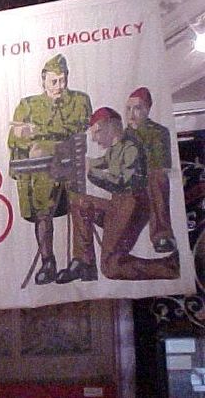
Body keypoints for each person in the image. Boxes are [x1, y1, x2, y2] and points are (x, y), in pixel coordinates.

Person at [56, 107, 180, 283]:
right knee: (80, 202)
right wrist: (80, 164)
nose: (94, 138)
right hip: (119, 206)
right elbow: (100, 162)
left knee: (111, 267)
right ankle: (84, 262)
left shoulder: (131, 147)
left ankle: (170, 267)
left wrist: (91, 171)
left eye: (97, 132)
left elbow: (122, 181)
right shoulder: (115, 149)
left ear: (110, 128)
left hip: (131, 207)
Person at [7, 54, 92, 285]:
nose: (59, 86)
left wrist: (39, 135)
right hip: (42, 171)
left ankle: (81, 261)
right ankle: (48, 262)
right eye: (53, 81)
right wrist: (26, 137)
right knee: (43, 214)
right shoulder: (28, 104)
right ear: (43, 81)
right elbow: (15, 139)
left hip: (71, 163)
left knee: (80, 208)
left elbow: (80, 126)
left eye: (62, 80)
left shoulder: (80, 100)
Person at [124, 86, 177, 253]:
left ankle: (162, 235)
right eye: (128, 109)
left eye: (137, 108)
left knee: (157, 178)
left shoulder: (159, 132)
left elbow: (160, 165)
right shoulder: (123, 135)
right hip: (129, 182)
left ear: (147, 110)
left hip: (147, 181)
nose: (131, 113)